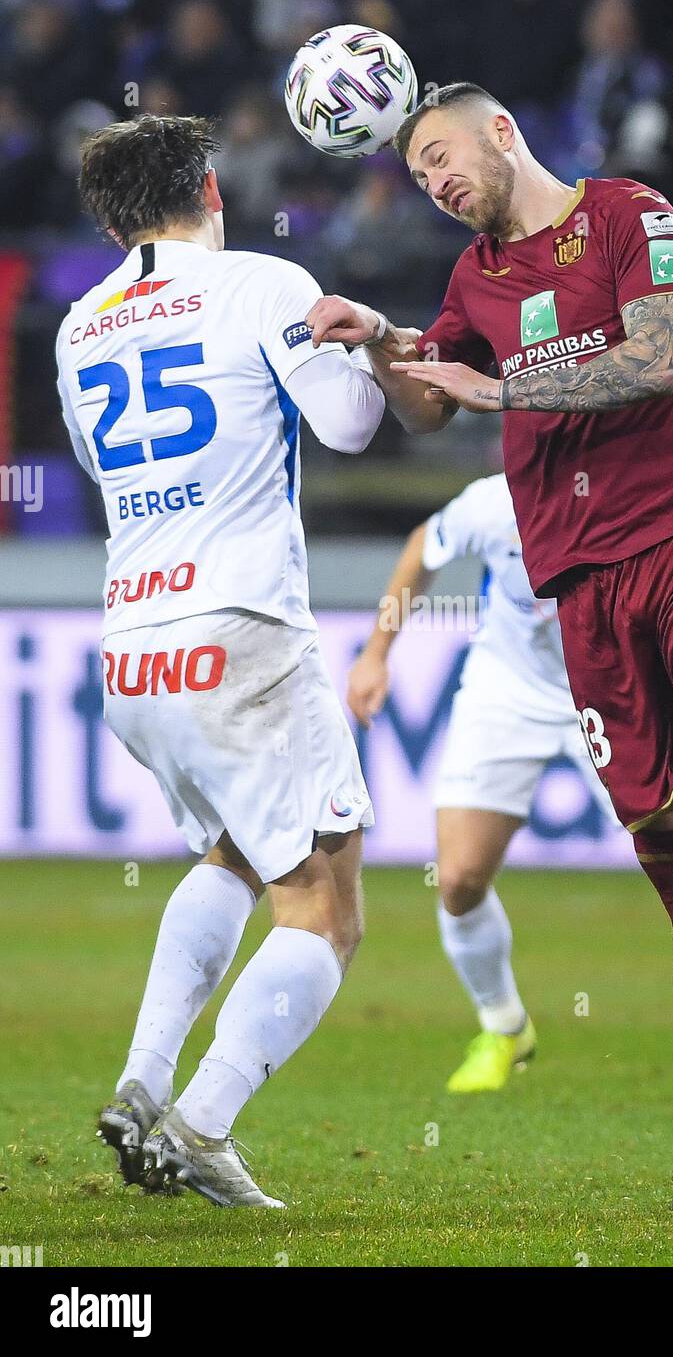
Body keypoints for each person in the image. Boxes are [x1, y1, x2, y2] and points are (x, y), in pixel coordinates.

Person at [305, 81, 673, 1209]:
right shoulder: (469, 279)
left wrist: (501, 384)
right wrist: (386, 340)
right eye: (419, 176)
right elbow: (425, 409)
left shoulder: (630, 216)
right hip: (574, 576)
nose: (437, 183)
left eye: (444, 156)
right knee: (668, 838)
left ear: (502, 130)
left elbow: (657, 353)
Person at [55, 114, 384, 1207]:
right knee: (325, 903)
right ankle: (199, 1124)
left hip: (130, 645)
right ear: (212, 187)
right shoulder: (260, 282)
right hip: (239, 628)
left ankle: (142, 1083)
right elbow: (344, 428)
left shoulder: (77, 326)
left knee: (238, 852)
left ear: (108, 220)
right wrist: (374, 344)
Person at [347, 473, 616, 1092]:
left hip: (610, 690)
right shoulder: (496, 501)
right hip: (507, 688)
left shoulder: (626, 487)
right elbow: (423, 545)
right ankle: (504, 1028)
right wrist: (375, 653)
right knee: (460, 880)